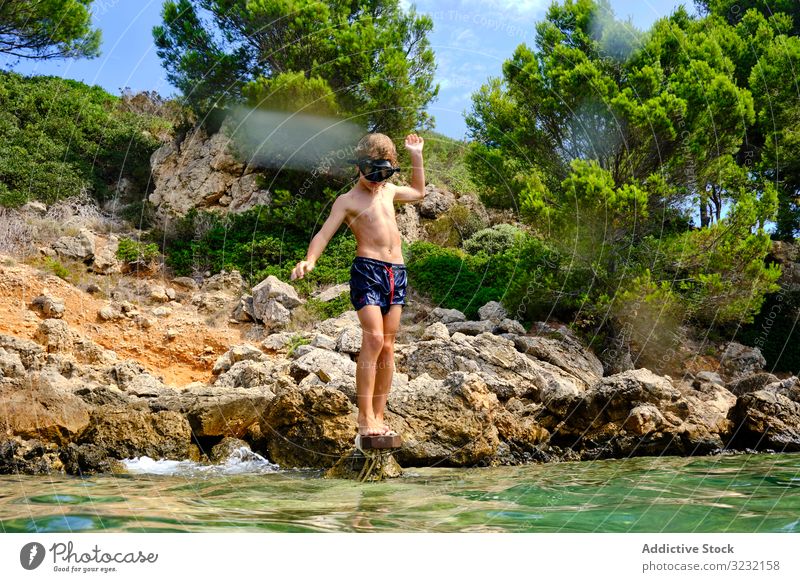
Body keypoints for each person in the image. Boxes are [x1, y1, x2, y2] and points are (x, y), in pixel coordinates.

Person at [290, 132, 425, 437]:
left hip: (397, 272)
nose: (378, 180)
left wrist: (416, 155)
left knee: (389, 347)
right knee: (374, 339)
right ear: (359, 167)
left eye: (385, 173)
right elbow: (324, 234)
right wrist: (310, 260)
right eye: (373, 173)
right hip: (368, 271)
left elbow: (418, 192)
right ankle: (364, 417)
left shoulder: (388, 191)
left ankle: (378, 414)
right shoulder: (347, 200)